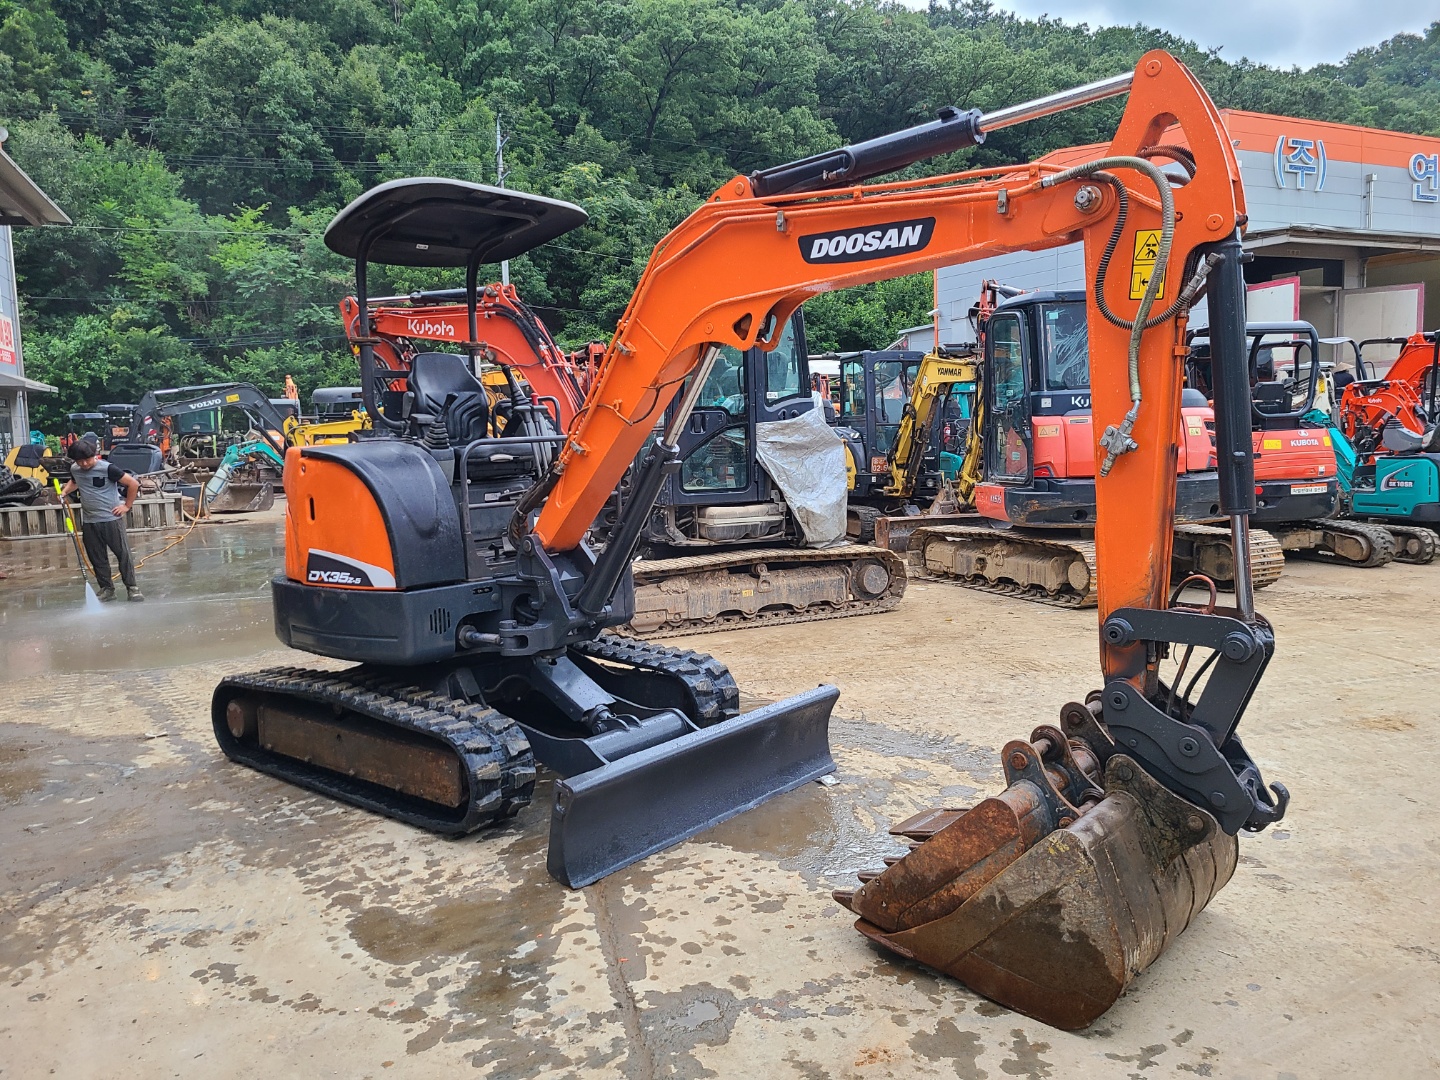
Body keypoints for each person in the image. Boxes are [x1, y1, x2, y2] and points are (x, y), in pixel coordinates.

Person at [62, 439, 144, 602]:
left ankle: (132, 588)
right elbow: (75, 481)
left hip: (111, 519)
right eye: (80, 461)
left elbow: (133, 484)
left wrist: (126, 506)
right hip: (90, 521)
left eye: (87, 459)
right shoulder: (75, 469)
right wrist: (64, 492)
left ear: (95, 455)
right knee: (97, 557)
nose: (84, 464)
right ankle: (107, 589)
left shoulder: (108, 468)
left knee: (123, 554)